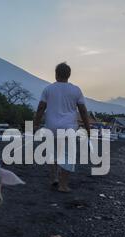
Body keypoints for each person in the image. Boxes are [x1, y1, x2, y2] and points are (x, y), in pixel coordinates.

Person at [34, 62, 91, 193]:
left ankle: (54, 178)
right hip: (69, 127)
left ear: (56, 74)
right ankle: (63, 185)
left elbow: (41, 108)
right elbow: (82, 110)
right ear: (69, 75)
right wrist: (88, 128)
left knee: (52, 152)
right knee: (67, 155)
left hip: (51, 127)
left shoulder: (48, 89)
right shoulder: (76, 90)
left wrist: (35, 124)